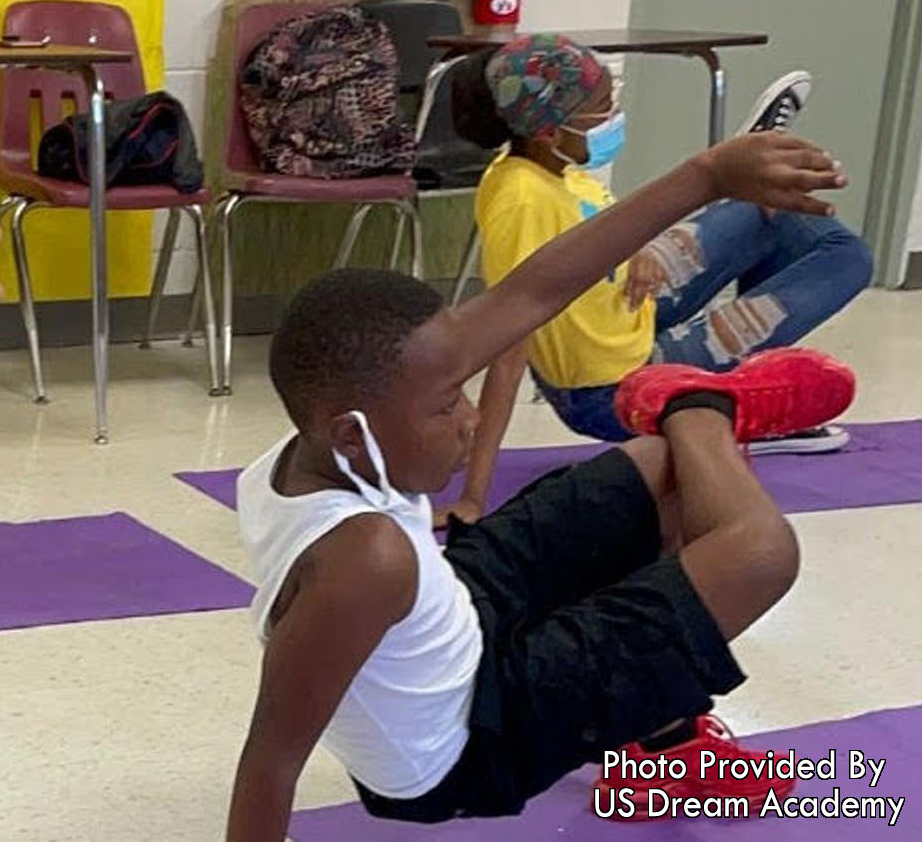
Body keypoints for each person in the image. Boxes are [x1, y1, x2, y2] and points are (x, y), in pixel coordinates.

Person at [224, 128, 855, 839]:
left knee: (662, 469)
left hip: (457, 613)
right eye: (445, 406)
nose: (469, 420)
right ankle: (700, 403)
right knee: (763, 550)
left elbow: (538, 287)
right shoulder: (363, 561)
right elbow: (270, 761)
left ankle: (666, 747)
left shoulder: (323, 436)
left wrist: (707, 174)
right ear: (351, 432)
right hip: (477, 743)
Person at [438, 35, 871, 526]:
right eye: (602, 111)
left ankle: (745, 169)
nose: (614, 118)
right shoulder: (522, 198)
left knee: (767, 206)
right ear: (549, 133)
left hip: (625, 303)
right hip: (613, 387)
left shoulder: (562, 167)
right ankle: (749, 398)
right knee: (848, 258)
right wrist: (474, 496)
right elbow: (509, 342)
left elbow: (596, 226)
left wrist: (637, 248)